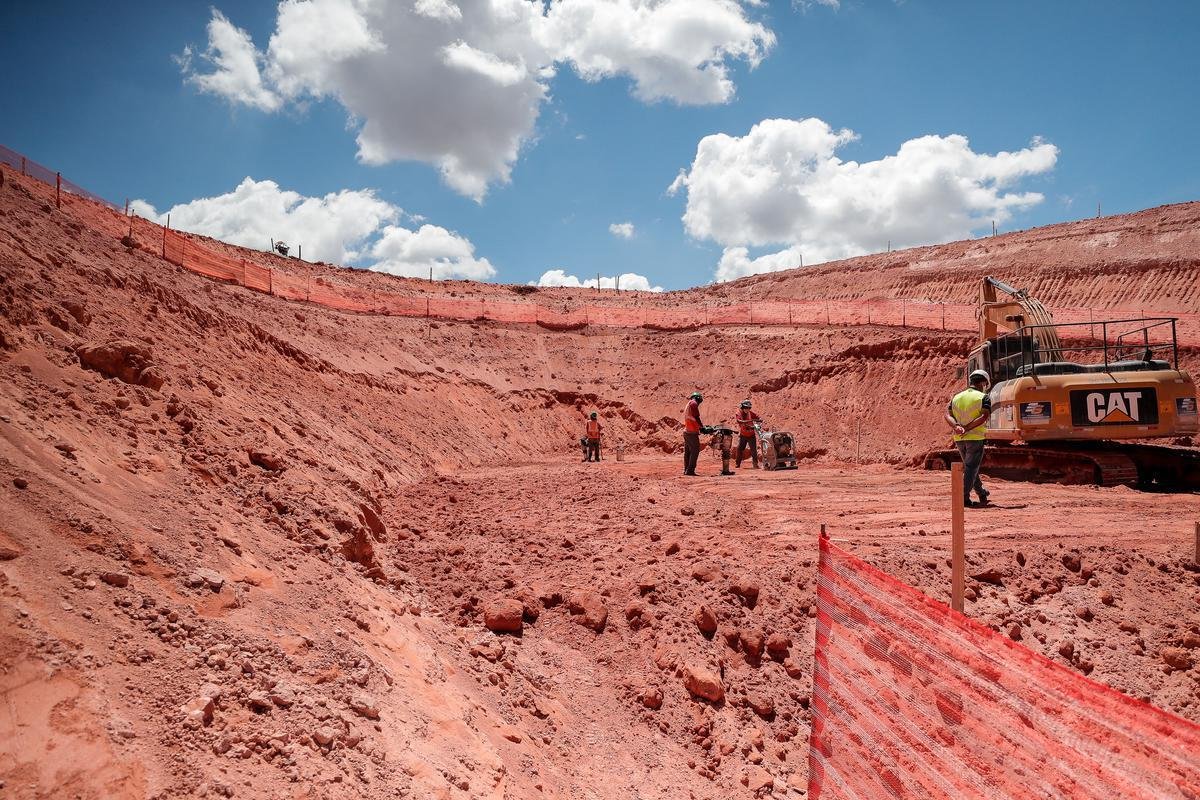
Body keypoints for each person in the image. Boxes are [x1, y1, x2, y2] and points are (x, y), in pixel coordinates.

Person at [946, 370, 992, 507]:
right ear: (983, 382)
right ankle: (962, 497)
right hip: (975, 437)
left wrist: (957, 427)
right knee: (971, 467)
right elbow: (984, 417)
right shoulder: (984, 397)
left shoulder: (956, 397)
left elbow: (947, 415)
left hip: (959, 438)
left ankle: (981, 492)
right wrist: (967, 427)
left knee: (970, 467)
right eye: (985, 384)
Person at [683, 391, 709, 476]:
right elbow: (696, 417)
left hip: (687, 431)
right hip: (691, 432)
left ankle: (686, 469)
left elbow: (692, 418)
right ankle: (690, 470)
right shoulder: (694, 403)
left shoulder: (689, 403)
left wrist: (700, 428)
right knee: (695, 450)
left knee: (688, 452)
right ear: (698, 398)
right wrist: (702, 428)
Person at [734, 400, 760, 469]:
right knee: (740, 449)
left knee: (753, 450)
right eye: (746, 407)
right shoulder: (738, 413)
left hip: (751, 434)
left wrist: (759, 419)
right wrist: (748, 421)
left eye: (749, 408)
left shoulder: (750, 413)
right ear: (742, 407)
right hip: (743, 434)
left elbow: (757, 417)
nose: (747, 409)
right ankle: (737, 464)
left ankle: (755, 464)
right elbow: (739, 420)